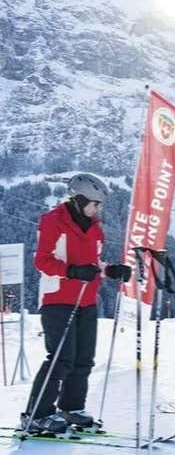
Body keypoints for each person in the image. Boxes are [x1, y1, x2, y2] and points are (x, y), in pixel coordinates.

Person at [22, 173, 131, 433]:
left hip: (86, 299)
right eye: (95, 203)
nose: (98, 209)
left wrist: (110, 270)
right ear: (80, 199)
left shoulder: (94, 228)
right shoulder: (53, 221)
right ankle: (36, 415)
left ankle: (71, 407)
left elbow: (92, 265)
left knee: (83, 358)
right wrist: (71, 271)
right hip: (57, 298)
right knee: (61, 358)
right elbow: (42, 261)